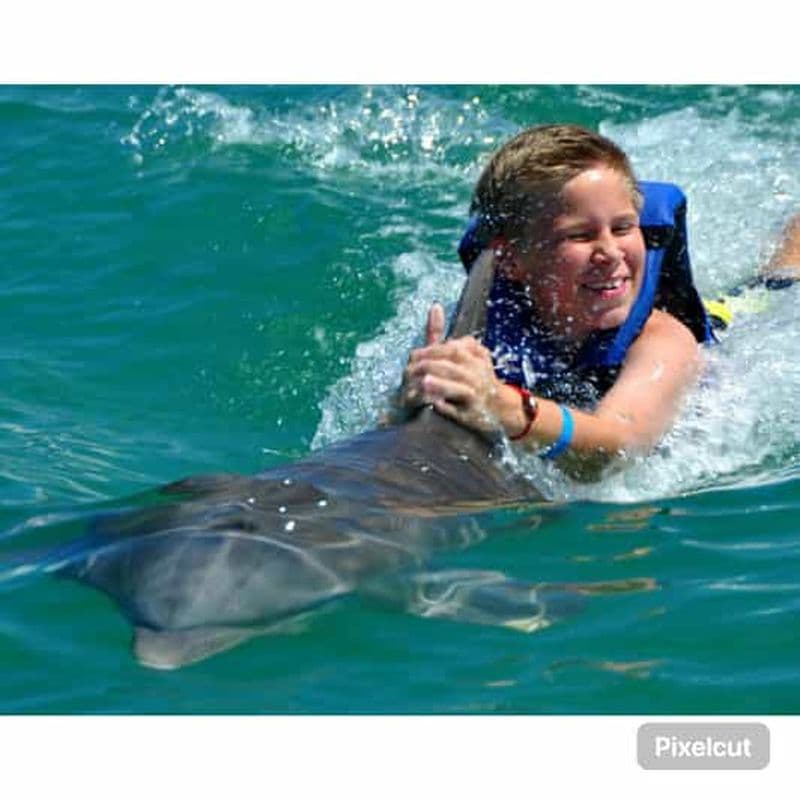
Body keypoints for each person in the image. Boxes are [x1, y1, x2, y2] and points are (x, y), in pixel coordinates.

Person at [397, 124, 800, 479]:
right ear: (512, 261)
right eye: (579, 236)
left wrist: (504, 406)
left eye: (624, 227)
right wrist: (411, 400)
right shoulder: (484, 323)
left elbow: (622, 443)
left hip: (732, 330)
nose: (609, 251)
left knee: (771, 287)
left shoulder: (665, 341)